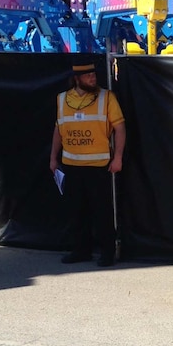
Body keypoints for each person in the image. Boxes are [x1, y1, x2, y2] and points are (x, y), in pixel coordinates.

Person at [50, 58, 125, 266]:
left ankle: (107, 252)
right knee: (76, 212)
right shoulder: (62, 99)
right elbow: (59, 129)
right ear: (77, 79)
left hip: (99, 165)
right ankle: (81, 250)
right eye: (88, 76)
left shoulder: (106, 98)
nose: (93, 78)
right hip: (72, 165)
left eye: (94, 75)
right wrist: (53, 158)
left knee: (102, 212)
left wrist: (118, 157)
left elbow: (120, 128)